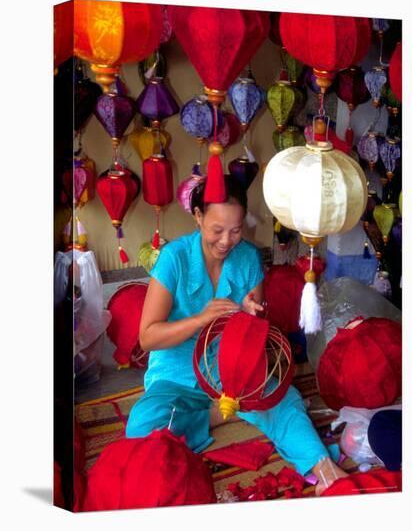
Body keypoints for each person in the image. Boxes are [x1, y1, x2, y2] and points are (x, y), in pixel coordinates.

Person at [126, 174, 347, 495]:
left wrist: (250, 315)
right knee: (144, 426)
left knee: (285, 401)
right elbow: (148, 337)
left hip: (231, 371)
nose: (227, 241)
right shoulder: (174, 258)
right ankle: (214, 415)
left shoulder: (247, 258)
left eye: (236, 230)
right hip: (178, 373)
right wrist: (201, 319)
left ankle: (324, 468)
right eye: (217, 230)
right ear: (198, 217)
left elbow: (253, 331)